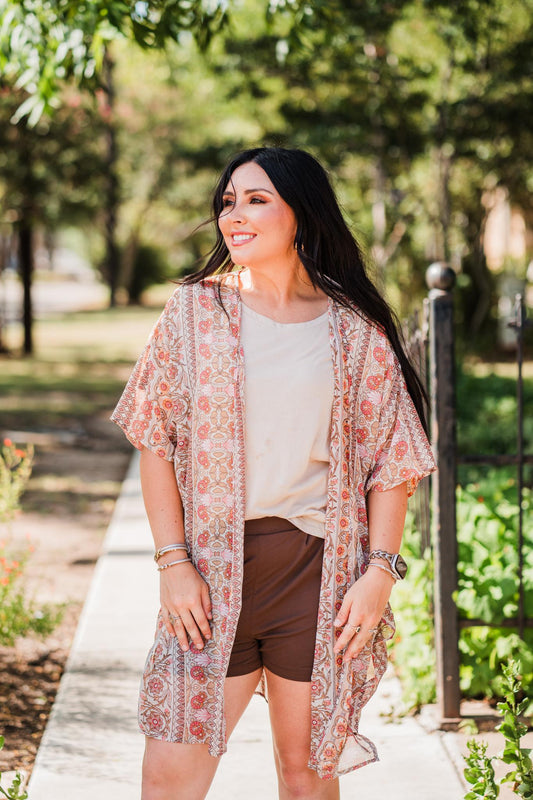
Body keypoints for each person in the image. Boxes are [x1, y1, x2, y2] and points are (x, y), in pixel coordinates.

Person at [111, 146, 436, 800]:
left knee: (306, 779)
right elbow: (154, 439)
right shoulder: (193, 314)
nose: (234, 214)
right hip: (208, 576)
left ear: (300, 213)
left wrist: (378, 572)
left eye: (256, 199)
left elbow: (391, 462)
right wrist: (172, 563)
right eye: (228, 200)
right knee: (168, 782)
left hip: (315, 580)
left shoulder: (352, 330)